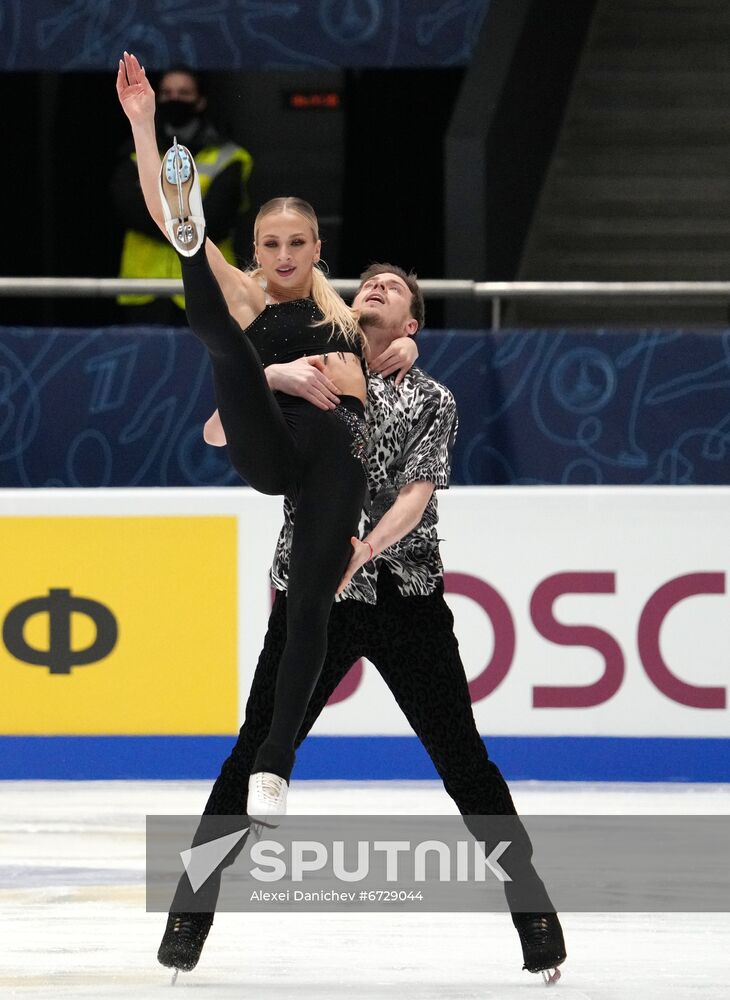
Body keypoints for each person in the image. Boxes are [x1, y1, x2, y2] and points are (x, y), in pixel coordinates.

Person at [160, 264, 567, 984]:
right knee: (255, 748)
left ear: (411, 324)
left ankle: (533, 911)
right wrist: (278, 377)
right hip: (314, 595)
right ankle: (191, 911)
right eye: (366, 283)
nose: (374, 286)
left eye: (392, 287)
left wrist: (366, 548)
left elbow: (416, 495)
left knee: (464, 760)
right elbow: (221, 430)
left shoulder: (432, 398)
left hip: (406, 596)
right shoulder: (309, 361)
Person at [112, 63, 252, 324]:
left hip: (211, 288)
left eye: (184, 93)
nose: (174, 100)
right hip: (144, 293)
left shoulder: (228, 156)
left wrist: (163, 218)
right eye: (167, 93)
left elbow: (217, 221)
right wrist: (141, 122)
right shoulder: (133, 152)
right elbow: (129, 211)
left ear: (200, 101)